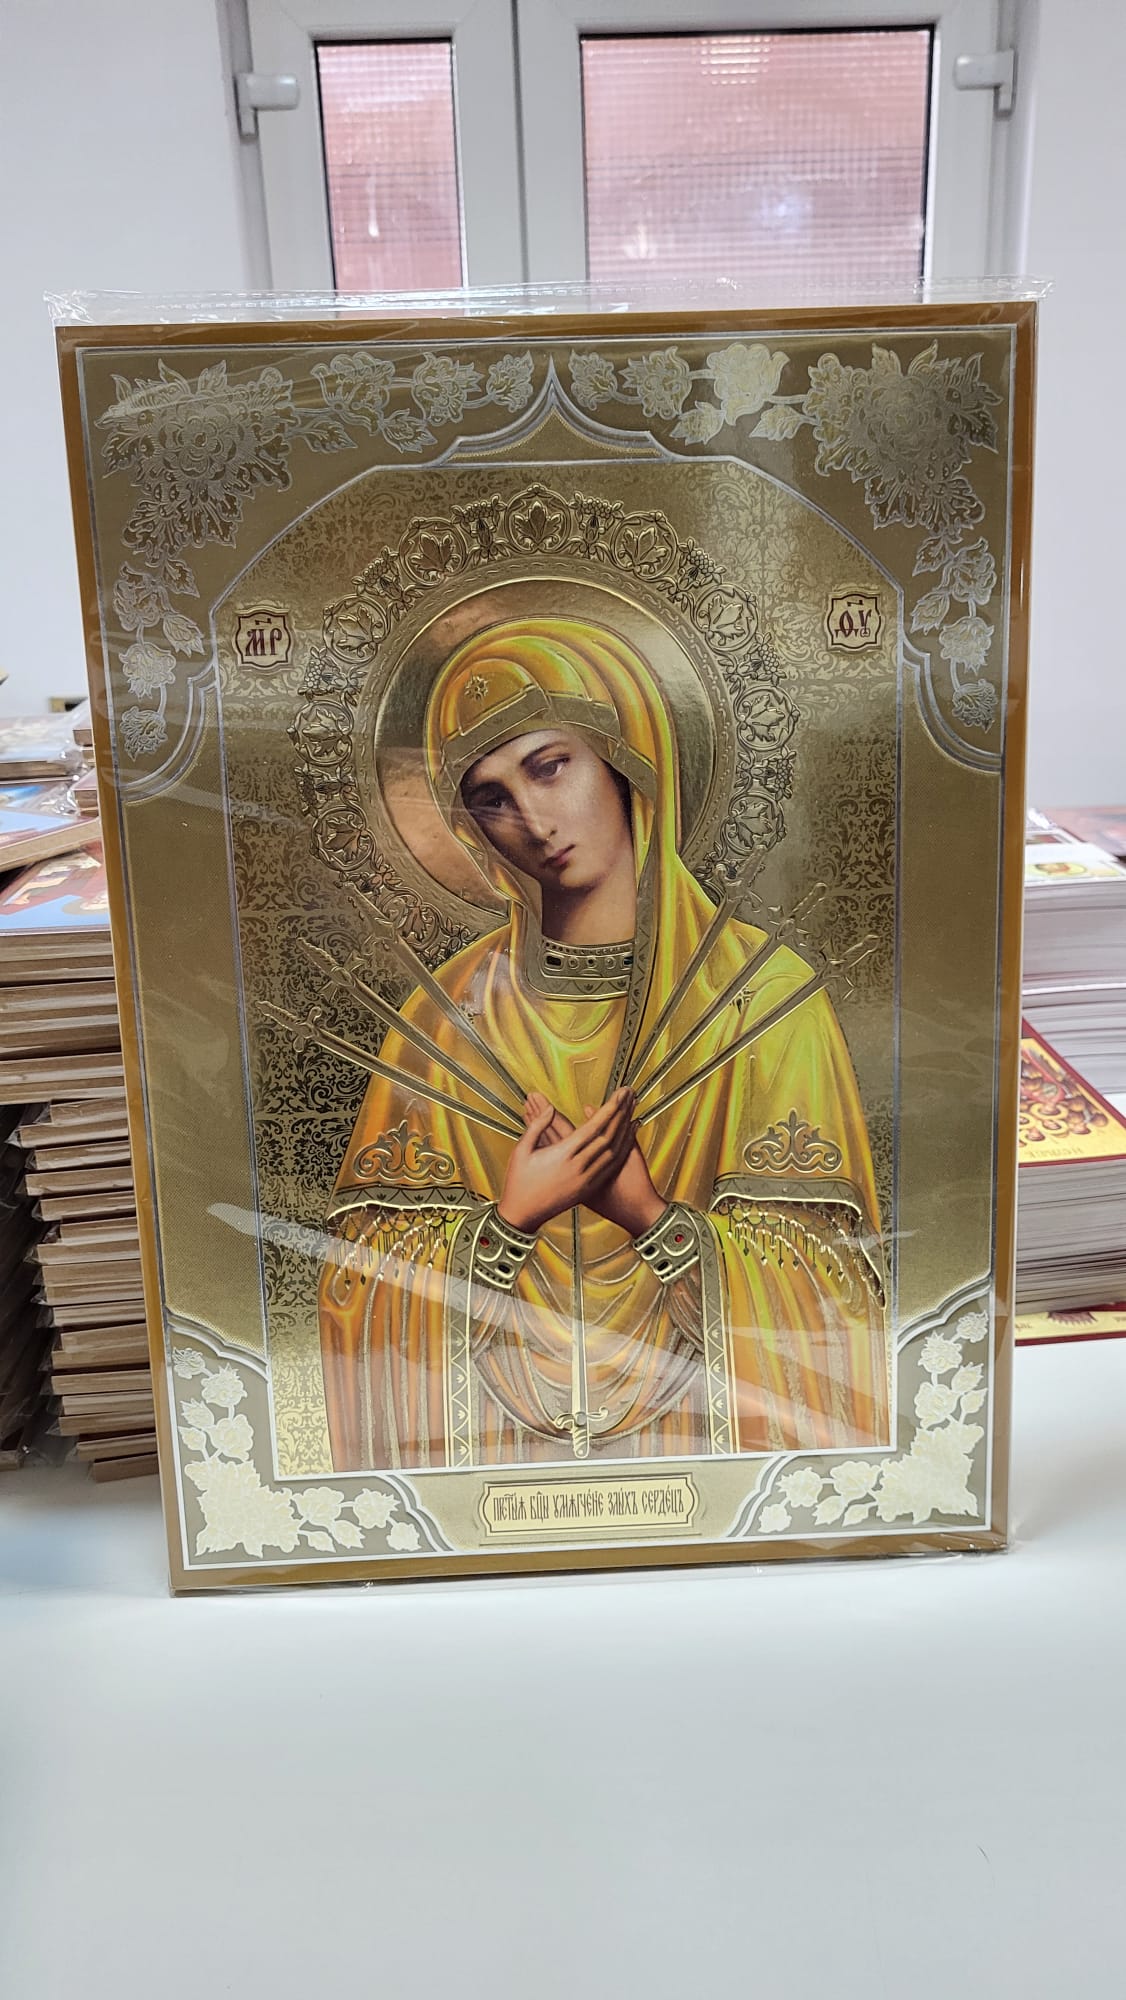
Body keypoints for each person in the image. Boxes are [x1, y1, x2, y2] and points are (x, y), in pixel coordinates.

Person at [318, 617, 887, 1469]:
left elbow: (834, 1287)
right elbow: (356, 1284)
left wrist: (648, 1218)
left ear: (629, 762)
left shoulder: (762, 998)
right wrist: (511, 1221)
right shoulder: (445, 1018)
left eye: (550, 766)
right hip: (498, 1453)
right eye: (491, 797)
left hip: (702, 1449)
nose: (532, 818)